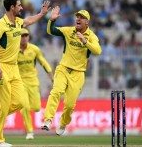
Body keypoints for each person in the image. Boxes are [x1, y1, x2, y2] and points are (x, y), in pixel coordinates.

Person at [0, 0, 50, 147]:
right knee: (6, 101)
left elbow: (29, 21)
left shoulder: (19, 22)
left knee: (21, 102)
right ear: (12, 8)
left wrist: (41, 14)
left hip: (14, 68)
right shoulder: (0, 24)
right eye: (19, 5)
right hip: (1, 67)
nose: (22, 8)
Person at [41, 7, 102, 136]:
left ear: (87, 22)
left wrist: (85, 41)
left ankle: (63, 123)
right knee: (56, 92)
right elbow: (51, 31)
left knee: (69, 105)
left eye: (81, 17)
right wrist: (51, 21)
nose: (78, 19)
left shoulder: (91, 36)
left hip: (78, 74)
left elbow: (98, 51)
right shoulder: (69, 31)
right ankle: (48, 119)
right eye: (77, 16)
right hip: (63, 68)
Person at [18, 28, 54, 140]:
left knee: (36, 108)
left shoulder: (34, 49)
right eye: (22, 36)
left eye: (26, 35)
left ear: (28, 37)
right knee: (25, 107)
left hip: (33, 82)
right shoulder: (13, 50)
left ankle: (29, 128)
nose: (24, 38)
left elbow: (44, 63)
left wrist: (52, 78)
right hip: (19, 82)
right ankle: (29, 132)